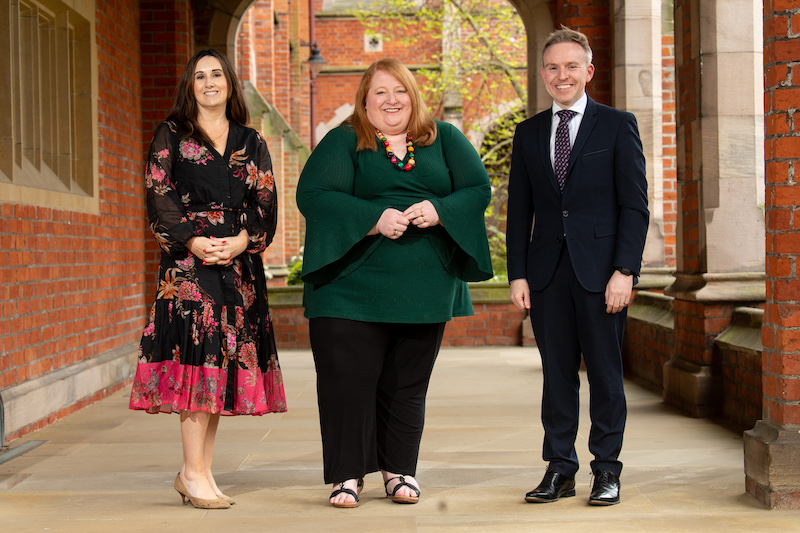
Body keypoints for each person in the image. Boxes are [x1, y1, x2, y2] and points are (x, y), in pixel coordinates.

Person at [296, 58, 493, 508]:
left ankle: (399, 470)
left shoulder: (445, 139)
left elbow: (477, 188)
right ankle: (347, 475)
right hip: (349, 287)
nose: (391, 100)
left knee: (407, 384)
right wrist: (372, 218)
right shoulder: (345, 141)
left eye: (399, 91)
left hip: (424, 288)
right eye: (380, 92)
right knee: (348, 382)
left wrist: (438, 210)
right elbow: (313, 195)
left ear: (413, 96)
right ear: (364, 101)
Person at [129, 49, 287, 510]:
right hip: (188, 269)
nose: (210, 82)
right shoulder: (172, 134)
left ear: (230, 83)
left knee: (217, 365)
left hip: (238, 268)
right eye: (201, 76)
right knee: (198, 360)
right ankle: (193, 473)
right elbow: (158, 194)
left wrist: (242, 241)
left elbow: (265, 200)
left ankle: (196, 472)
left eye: (217, 74)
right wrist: (193, 241)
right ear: (190, 86)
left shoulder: (251, 139)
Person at [506, 27, 649, 506]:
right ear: (542, 74)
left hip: (603, 274)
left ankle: (606, 470)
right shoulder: (527, 134)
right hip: (546, 274)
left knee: (607, 375)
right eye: (552, 67)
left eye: (571, 66)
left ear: (588, 71)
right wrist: (518, 274)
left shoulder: (616, 125)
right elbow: (518, 211)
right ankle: (559, 469)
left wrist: (625, 271)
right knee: (556, 376)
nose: (561, 75)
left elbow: (634, 207)